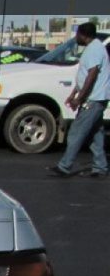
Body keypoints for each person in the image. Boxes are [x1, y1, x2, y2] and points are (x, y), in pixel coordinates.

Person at [48, 22, 110, 178]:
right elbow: (84, 76)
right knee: (95, 134)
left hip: (93, 100)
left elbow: (92, 74)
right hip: (94, 99)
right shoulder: (93, 48)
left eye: (77, 35)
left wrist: (80, 98)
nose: (76, 38)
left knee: (76, 132)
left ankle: (65, 166)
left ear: (83, 35)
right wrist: (73, 94)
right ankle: (100, 167)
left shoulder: (95, 49)